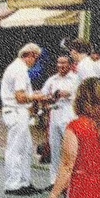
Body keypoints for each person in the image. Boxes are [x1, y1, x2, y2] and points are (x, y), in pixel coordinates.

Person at [0, 43, 42, 196]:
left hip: (18, 112)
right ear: (29, 54)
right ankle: (13, 183)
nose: (35, 61)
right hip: (17, 111)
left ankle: (24, 181)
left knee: (26, 147)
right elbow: (20, 97)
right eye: (35, 57)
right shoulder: (20, 70)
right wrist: (36, 96)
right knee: (16, 148)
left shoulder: (18, 68)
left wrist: (32, 95)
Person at [39, 55, 79, 188]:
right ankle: (54, 180)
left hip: (69, 114)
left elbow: (76, 94)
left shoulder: (75, 79)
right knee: (55, 148)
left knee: (70, 149)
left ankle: (71, 180)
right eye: (59, 63)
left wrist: (63, 93)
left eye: (64, 63)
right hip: (55, 114)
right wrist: (45, 98)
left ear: (70, 64)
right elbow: (44, 93)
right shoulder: (52, 79)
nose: (61, 65)